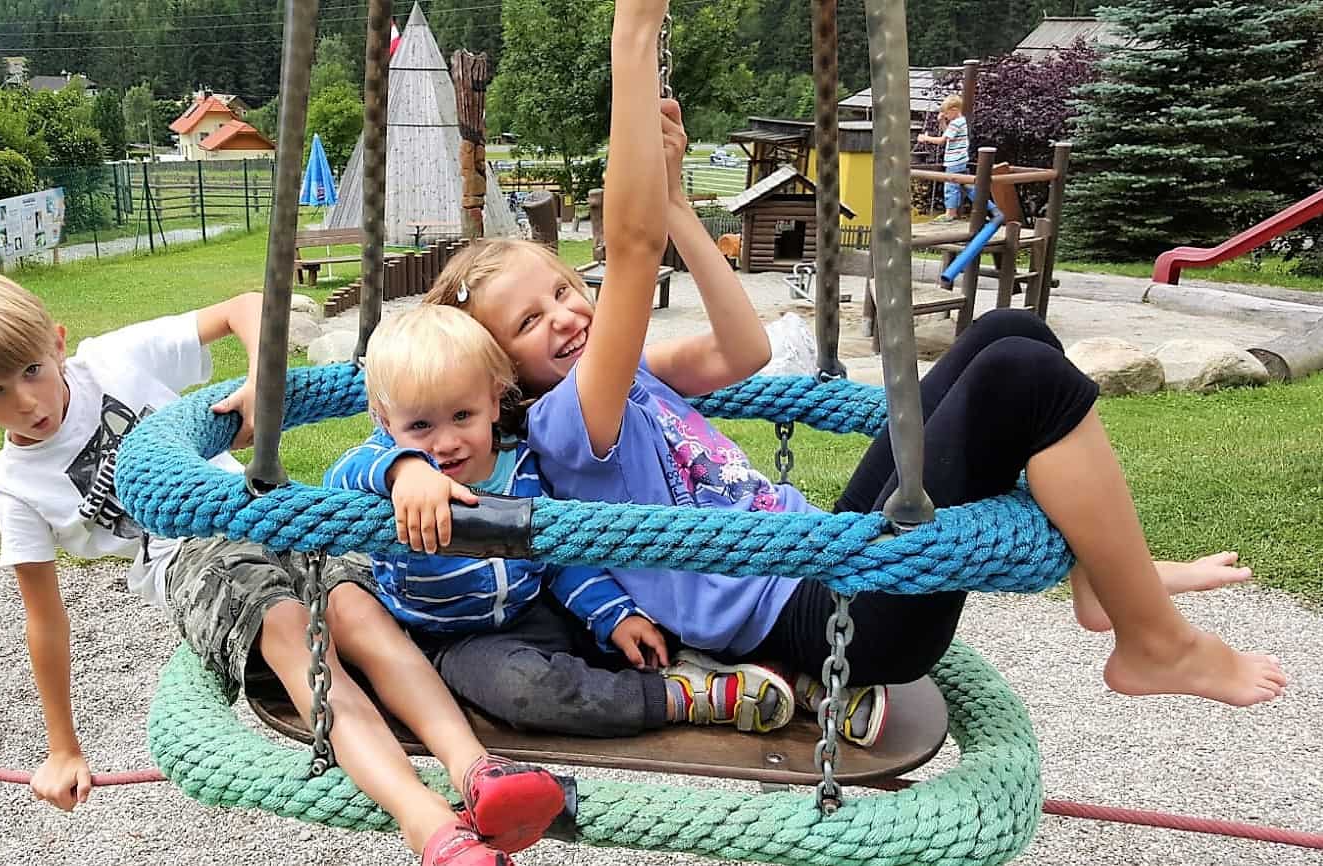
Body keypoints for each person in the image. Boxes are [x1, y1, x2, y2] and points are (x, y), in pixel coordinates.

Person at [398, 0, 1286, 718]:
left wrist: (677, 211)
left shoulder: (626, 382)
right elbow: (626, 254)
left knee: (1008, 336)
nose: (563, 316)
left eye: (561, 291)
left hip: (823, 556)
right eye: (528, 322)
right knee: (1025, 384)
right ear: (503, 374)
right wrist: (634, 32)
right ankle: (1152, 639)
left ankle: (1108, 587)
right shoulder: (567, 425)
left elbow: (741, 349)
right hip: (835, 622)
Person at [0, 273, 567, 866]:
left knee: (359, 614)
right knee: (295, 635)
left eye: (32, 369)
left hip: (259, 508)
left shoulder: (111, 360)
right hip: (191, 556)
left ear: (56, 343)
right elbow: (44, 619)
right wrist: (62, 746)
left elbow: (244, 307)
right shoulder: (17, 483)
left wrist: (260, 377)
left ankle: (477, 771)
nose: (27, 401)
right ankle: (428, 825)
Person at [326, 304, 795, 736]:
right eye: (420, 427)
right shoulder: (388, 466)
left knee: (636, 615)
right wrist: (402, 469)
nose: (445, 443)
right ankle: (678, 697)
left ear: (494, 402)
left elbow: (559, 558)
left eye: (462, 415)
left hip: (534, 608)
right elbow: (337, 482)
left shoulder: (524, 467)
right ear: (387, 423)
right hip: (453, 635)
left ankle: (732, 668)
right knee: (526, 690)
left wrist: (614, 615)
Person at [917, 94, 971, 222]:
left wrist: (926, 138)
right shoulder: (960, 121)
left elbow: (942, 140)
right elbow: (948, 134)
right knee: (966, 186)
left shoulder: (956, 124)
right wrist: (942, 121)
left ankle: (950, 213)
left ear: (954, 110)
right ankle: (990, 207)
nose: (945, 116)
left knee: (950, 186)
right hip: (961, 159)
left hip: (954, 161)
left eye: (946, 114)